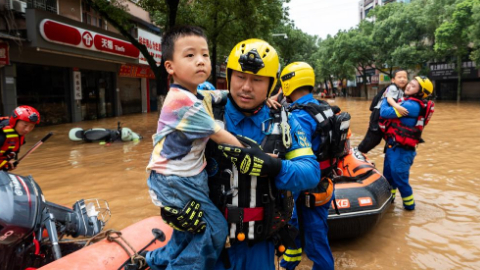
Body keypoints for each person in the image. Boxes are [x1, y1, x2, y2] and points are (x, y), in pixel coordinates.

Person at [156, 38, 320, 270]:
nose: (246, 87)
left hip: (259, 246)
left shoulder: (286, 121)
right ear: (230, 75)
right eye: (241, 77)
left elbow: (311, 172)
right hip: (206, 239)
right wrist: (171, 206)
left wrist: (274, 167)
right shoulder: (202, 110)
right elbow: (165, 163)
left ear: (272, 84)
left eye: (257, 80)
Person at [144, 26, 243, 270]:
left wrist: (254, 94)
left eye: (205, 55)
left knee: (189, 231)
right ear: (170, 67)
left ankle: (156, 261)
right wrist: (262, 156)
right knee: (215, 228)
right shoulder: (183, 102)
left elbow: (217, 95)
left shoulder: (195, 93)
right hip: (175, 179)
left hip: (186, 175)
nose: (200, 61)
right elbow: (222, 137)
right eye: (190, 55)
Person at [277, 62, 343, 270]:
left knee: (314, 244)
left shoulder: (298, 116)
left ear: (287, 84)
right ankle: (291, 258)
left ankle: (294, 259)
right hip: (324, 184)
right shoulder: (323, 107)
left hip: (306, 189)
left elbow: (296, 160)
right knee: (317, 237)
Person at [379, 76, 434, 210]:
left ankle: (410, 209)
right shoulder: (407, 101)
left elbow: (384, 112)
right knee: (389, 178)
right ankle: (390, 203)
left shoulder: (412, 106)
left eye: (413, 86)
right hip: (393, 147)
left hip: (403, 151)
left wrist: (386, 98)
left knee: (400, 179)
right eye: (410, 83)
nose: (409, 86)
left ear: (420, 93)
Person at [357, 69, 409, 154]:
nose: (402, 79)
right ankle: (359, 151)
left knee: (386, 135)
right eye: (399, 77)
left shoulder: (400, 90)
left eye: (405, 77)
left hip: (386, 115)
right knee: (373, 137)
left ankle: (387, 151)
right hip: (378, 114)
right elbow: (389, 99)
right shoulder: (393, 87)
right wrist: (397, 107)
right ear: (393, 80)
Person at [0, 105, 40, 171]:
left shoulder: (18, 135)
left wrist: (6, 163)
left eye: (31, 126)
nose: (27, 129)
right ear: (15, 121)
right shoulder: (2, 135)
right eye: (25, 125)